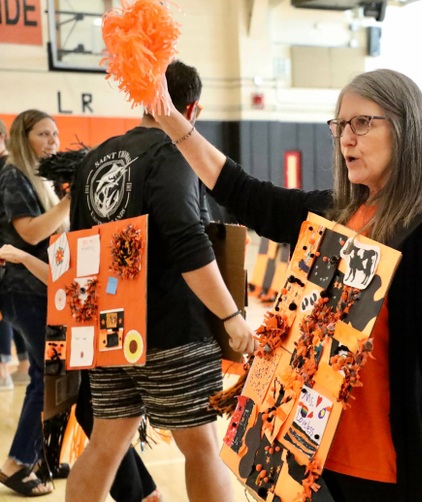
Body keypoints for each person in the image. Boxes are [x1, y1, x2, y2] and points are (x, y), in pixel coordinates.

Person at [154, 68, 422, 502]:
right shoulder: (334, 214)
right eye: (340, 125)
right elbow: (244, 192)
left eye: (362, 122)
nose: (346, 138)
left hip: (386, 468)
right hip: (309, 462)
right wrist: (173, 121)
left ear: (406, 129)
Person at [65, 60, 258, 502]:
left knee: (106, 446)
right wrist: (230, 315)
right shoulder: (175, 152)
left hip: (110, 333)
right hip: (172, 332)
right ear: (192, 109)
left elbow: (77, 248)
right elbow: (187, 239)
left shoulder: (94, 160)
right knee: (203, 448)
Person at [0, 243, 162, 501]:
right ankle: (144, 492)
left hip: (115, 318)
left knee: (100, 415)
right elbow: (68, 276)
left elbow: (76, 277)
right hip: (91, 316)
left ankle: (142, 493)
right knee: (93, 412)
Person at [0, 110, 71, 496]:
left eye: (56, 134)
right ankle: (16, 464)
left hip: (42, 286)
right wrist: (66, 203)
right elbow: (28, 234)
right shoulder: (14, 175)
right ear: (23, 137)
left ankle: (44, 456)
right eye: (44, 134)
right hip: (22, 288)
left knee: (58, 374)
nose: (53, 140)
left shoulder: (39, 179)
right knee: (46, 375)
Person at [0, 118, 30, 391]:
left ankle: (5, 369)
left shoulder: (8, 170)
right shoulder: (15, 168)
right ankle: (20, 366)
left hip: (10, 253)